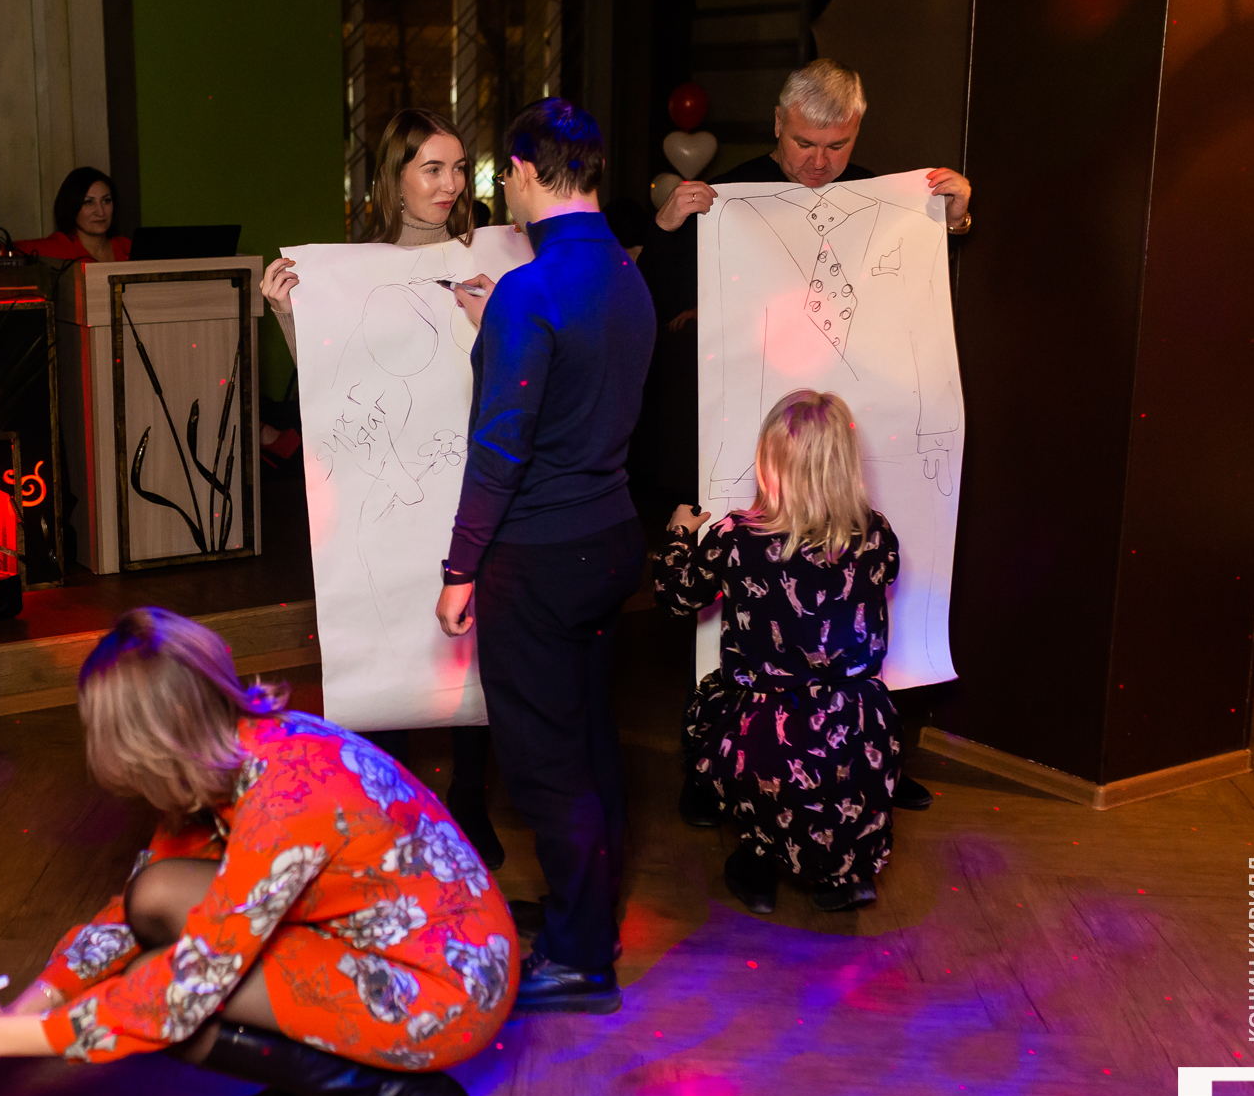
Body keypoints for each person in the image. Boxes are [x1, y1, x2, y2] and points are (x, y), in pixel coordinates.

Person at [0, 607, 516, 1096]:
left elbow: (182, 992)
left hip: (447, 989)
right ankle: (319, 1080)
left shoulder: (286, 796)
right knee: (154, 897)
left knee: (179, 1011)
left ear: (166, 731)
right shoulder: (233, 748)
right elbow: (135, 907)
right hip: (381, 941)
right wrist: (23, 1008)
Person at [645, 57, 960, 824]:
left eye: (837, 145)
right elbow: (653, 303)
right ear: (778, 125)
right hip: (754, 438)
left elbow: (925, 285)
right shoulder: (729, 194)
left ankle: (869, 755)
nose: (819, 162)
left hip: (853, 445)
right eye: (805, 143)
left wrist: (952, 215)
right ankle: (715, 764)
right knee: (737, 618)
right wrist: (667, 229)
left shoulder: (880, 198)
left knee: (857, 612)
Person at [436, 98, 654, 1014]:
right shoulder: (626, 274)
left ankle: (579, 958)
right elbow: (580, 381)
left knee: (544, 762)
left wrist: (459, 570)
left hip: (540, 553)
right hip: (610, 540)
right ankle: (587, 917)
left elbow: (500, 450)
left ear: (524, 172)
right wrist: (505, 322)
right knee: (592, 739)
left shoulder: (532, 290)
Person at [260, 108, 503, 871]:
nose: (450, 183)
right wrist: (286, 314)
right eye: (432, 168)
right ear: (394, 179)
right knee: (390, 626)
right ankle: (387, 805)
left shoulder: (490, 259)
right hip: (392, 494)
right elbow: (330, 385)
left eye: (458, 168)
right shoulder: (354, 273)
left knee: (472, 640)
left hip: (471, 480)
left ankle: (470, 797)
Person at [651, 390, 901, 913]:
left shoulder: (737, 536)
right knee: (837, 777)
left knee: (714, 705)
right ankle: (844, 877)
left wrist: (678, 534)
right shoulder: (875, 533)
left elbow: (677, 598)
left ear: (771, 461)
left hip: (771, 726)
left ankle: (758, 864)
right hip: (860, 723)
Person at [15, 165, 130, 262]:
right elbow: (9, 250)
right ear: (71, 206)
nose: (101, 212)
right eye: (88, 202)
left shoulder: (126, 247)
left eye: (106, 201)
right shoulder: (58, 248)